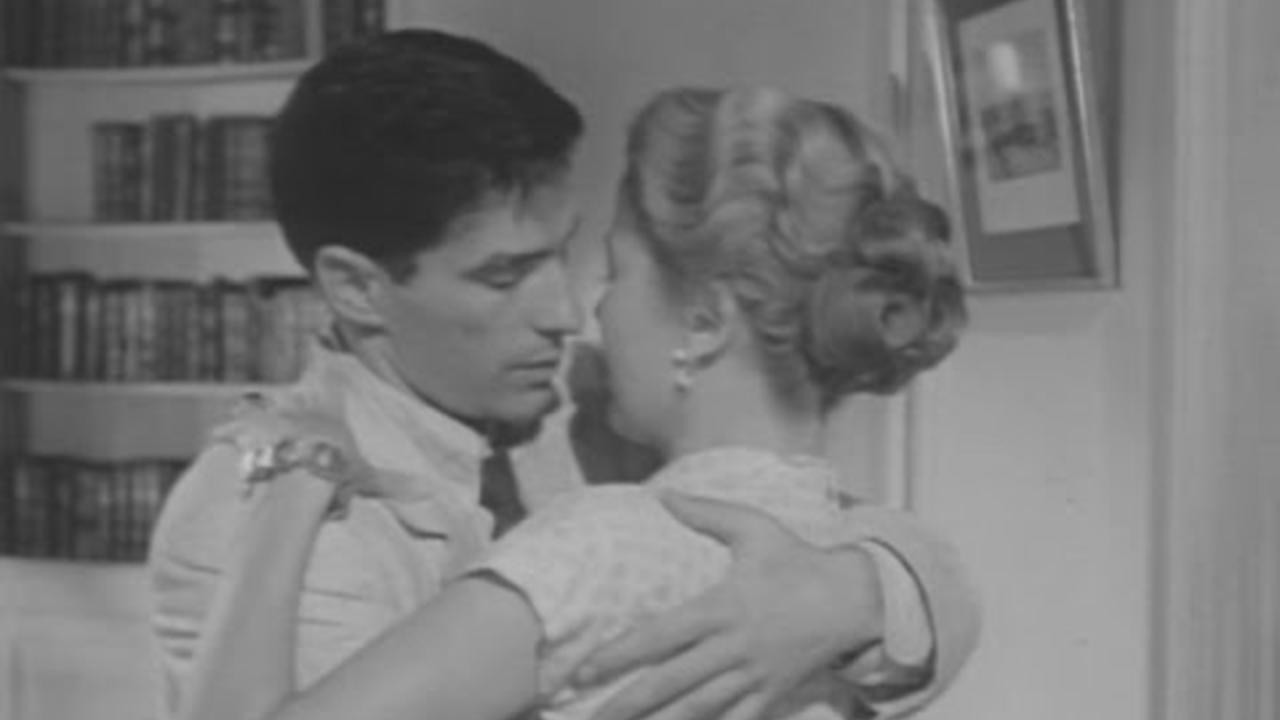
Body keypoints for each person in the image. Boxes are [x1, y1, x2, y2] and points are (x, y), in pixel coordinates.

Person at [148, 30, 979, 720]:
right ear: (358, 287)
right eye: (504, 275)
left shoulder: (597, 403)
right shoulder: (250, 509)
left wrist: (845, 594)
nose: (567, 311)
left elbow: (882, 546)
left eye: (567, 254)